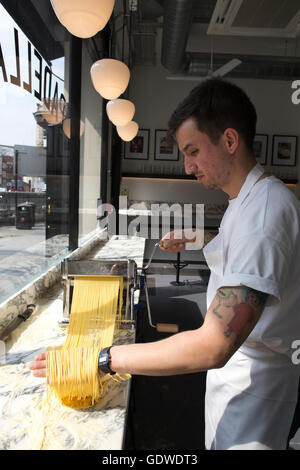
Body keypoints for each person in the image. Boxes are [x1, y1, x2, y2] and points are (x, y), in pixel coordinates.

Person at [29, 78, 300, 450]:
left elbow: (212, 346)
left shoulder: (265, 215)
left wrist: (104, 358)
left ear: (230, 141)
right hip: (237, 377)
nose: (188, 167)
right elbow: (245, 252)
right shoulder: (249, 199)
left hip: (256, 392)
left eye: (193, 151)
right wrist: (195, 239)